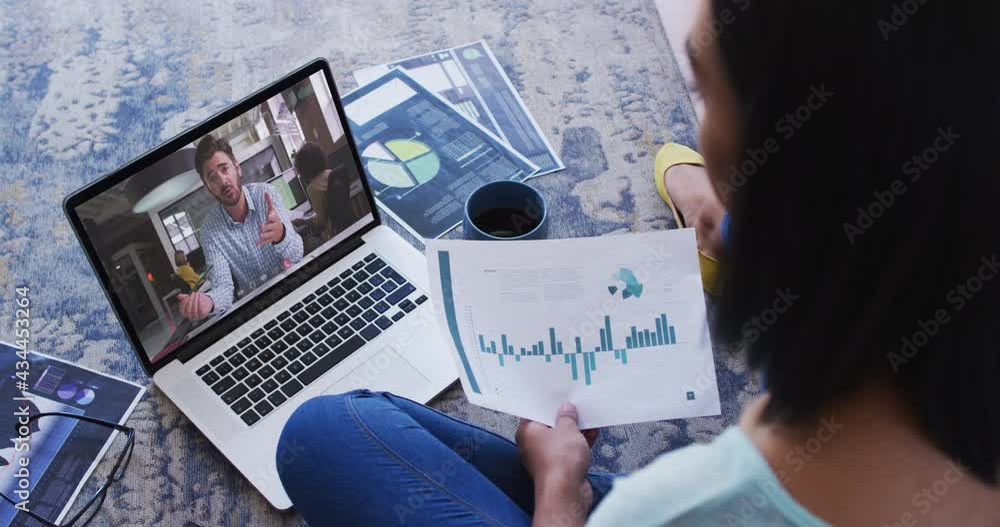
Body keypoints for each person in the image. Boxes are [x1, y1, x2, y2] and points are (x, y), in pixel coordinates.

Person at [275, 0, 1000, 525]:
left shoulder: (679, 505)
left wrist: (560, 493)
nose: (700, 123)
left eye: (701, 90)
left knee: (322, 437)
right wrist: (718, 200)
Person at [177, 135, 303, 321]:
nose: (222, 180)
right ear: (209, 187)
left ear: (237, 168)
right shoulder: (210, 232)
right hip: (258, 315)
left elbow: (297, 254)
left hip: (296, 293)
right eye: (212, 177)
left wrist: (281, 235)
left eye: (225, 169)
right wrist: (209, 301)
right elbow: (224, 287)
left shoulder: (266, 195)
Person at [291, 142, 335, 240]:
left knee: (305, 243)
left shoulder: (313, 188)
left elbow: (321, 221)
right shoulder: (331, 173)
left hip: (332, 235)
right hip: (346, 226)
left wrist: (304, 221)